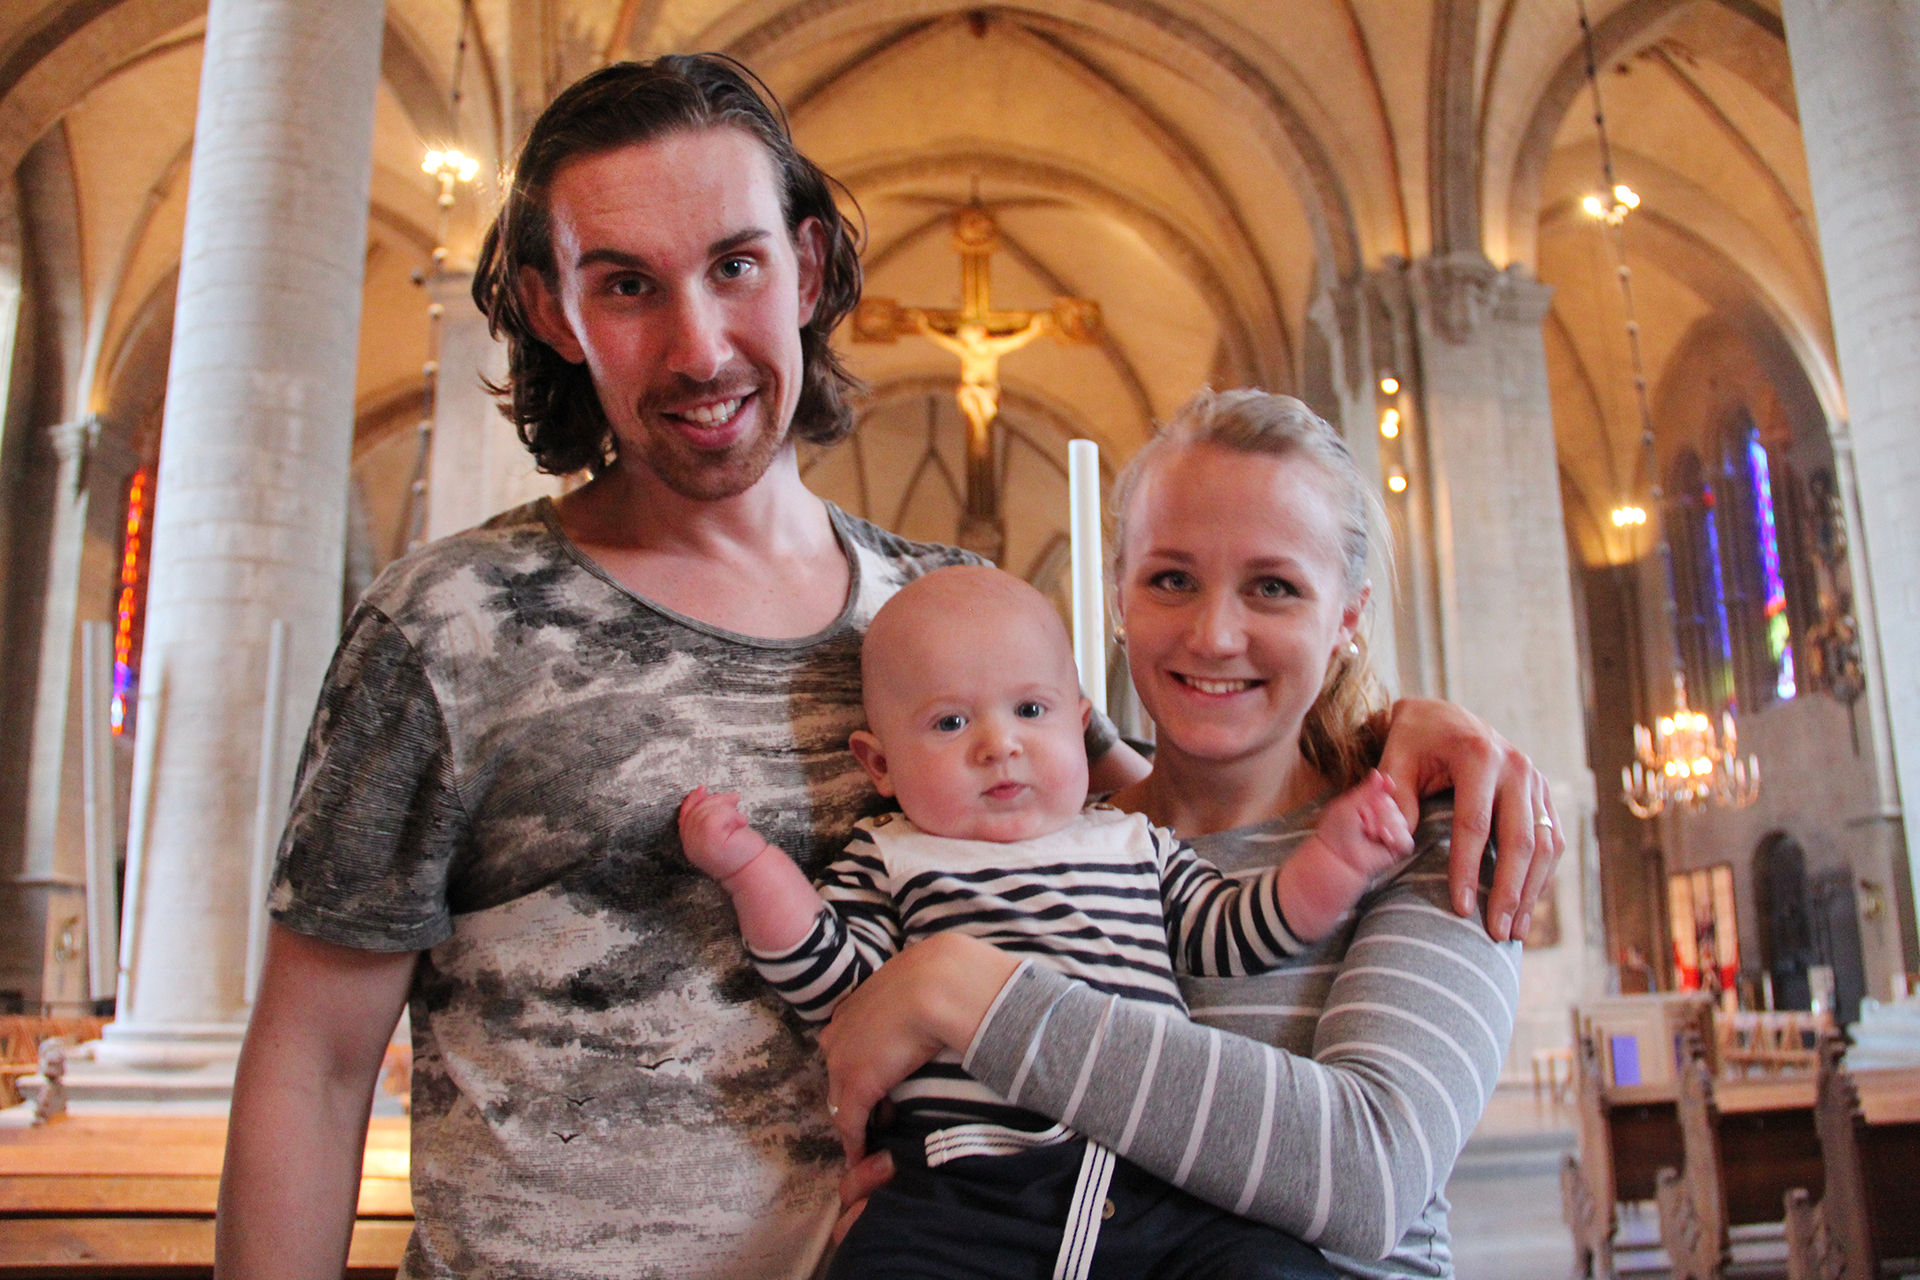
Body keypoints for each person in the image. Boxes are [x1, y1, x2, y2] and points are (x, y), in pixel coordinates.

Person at [213, 54, 1560, 1280]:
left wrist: (1407, 728)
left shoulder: (949, 614)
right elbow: (314, 1070)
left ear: (805, 270)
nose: (700, 346)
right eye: (625, 284)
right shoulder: (446, 625)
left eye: (735, 265)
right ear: (548, 308)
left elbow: (1156, 793)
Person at [816, 391, 1532, 1277]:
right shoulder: (1022, 845)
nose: (1215, 633)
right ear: (1118, 595)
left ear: (1347, 618)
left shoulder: (1431, 830)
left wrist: (965, 991)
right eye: (1171, 580)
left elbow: (1370, 1178)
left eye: (1273, 587)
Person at [679, 564, 1411, 1279]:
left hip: (1160, 1184)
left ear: (1080, 725)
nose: (999, 744)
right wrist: (752, 871)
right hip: (965, 1193)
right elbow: (834, 982)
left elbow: (1244, 932)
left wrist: (1337, 860)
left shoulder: (1136, 845)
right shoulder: (893, 858)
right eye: (950, 722)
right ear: (880, 765)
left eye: (1031, 711)